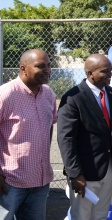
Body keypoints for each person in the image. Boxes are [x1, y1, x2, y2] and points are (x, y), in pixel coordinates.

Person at [57, 54, 112, 220]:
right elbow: (66, 139)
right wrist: (75, 174)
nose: (110, 75)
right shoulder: (73, 97)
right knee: (82, 217)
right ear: (89, 73)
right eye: (105, 71)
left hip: (107, 169)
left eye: (111, 71)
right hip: (84, 173)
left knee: (100, 215)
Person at [0, 49, 57, 219]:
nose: (47, 70)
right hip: (10, 182)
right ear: (23, 68)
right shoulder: (5, 94)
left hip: (40, 181)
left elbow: (50, 126)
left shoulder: (48, 94)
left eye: (48, 65)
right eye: (40, 66)